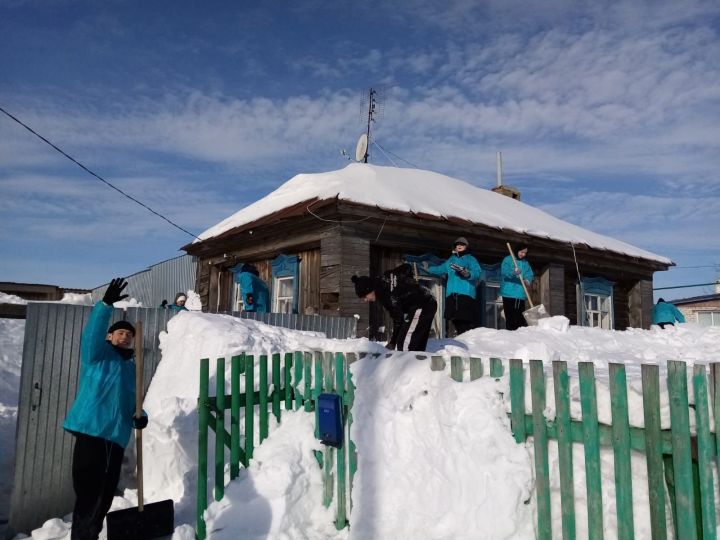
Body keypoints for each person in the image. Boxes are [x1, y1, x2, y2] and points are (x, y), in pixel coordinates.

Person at [63, 278, 148, 540]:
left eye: (129, 335)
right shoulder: (97, 356)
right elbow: (91, 334)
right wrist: (105, 305)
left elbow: (132, 403)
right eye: (120, 333)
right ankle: (82, 535)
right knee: (88, 490)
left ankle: (91, 533)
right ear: (110, 336)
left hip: (116, 438)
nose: (125, 337)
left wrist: (140, 417)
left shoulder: (132, 369)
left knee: (105, 495)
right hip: (91, 431)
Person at [351, 263, 437, 351]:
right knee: (416, 342)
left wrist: (392, 342)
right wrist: (410, 284)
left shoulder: (387, 296)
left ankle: (408, 363)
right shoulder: (386, 276)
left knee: (404, 345)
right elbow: (407, 267)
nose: (366, 300)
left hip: (423, 304)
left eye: (365, 296)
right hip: (428, 300)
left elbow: (398, 320)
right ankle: (420, 362)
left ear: (369, 289)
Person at [426, 237, 482, 335]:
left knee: (465, 319)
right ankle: (458, 336)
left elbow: (477, 273)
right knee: (454, 318)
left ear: (466, 247)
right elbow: (441, 269)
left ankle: (467, 338)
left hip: (465, 293)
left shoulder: (471, 259)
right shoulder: (451, 260)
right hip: (452, 294)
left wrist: (467, 273)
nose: (459, 245)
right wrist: (428, 269)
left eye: (462, 244)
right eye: (457, 244)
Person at [500, 244, 535, 331]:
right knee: (510, 317)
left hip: (519, 293)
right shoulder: (508, 259)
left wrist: (527, 280)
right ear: (517, 251)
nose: (523, 254)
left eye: (525, 253)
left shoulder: (525, 263)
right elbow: (504, 271)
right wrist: (513, 272)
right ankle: (511, 336)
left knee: (519, 318)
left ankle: (520, 337)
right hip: (508, 292)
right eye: (522, 252)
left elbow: (529, 274)